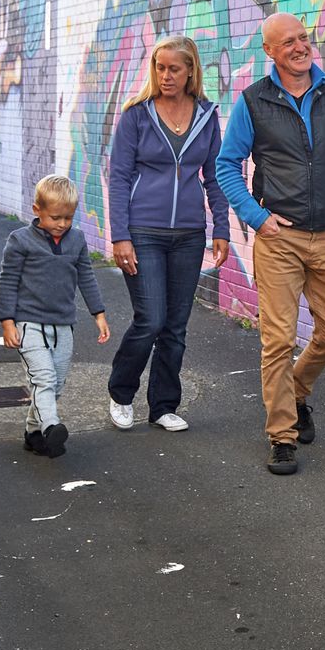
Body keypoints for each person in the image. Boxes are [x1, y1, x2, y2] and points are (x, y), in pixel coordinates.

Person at [216, 13, 325, 475]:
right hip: (279, 240)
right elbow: (228, 165)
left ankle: (297, 390)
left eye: (303, 38)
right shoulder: (254, 102)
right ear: (270, 51)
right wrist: (257, 218)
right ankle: (282, 436)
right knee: (278, 339)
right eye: (287, 42)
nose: (299, 47)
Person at [104, 35, 231, 433]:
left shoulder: (207, 117)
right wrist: (120, 235)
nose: (165, 75)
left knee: (176, 326)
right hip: (143, 232)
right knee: (150, 319)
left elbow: (214, 177)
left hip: (190, 235)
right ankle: (121, 393)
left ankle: (162, 405)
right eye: (159, 67)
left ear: (191, 69)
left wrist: (221, 229)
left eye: (174, 68)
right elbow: (120, 178)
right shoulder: (136, 115)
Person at [0, 175, 110, 459]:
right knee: (44, 379)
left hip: (63, 325)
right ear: (37, 210)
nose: (62, 223)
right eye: (55, 217)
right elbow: (8, 281)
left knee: (56, 384)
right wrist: (8, 322)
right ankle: (51, 427)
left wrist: (99, 314)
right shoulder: (20, 240)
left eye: (68, 218)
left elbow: (86, 276)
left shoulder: (77, 240)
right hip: (28, 324)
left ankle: (33, 432)